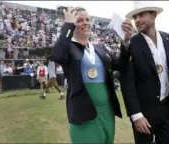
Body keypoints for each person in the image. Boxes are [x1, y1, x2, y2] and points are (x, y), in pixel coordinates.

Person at [50, 7, 130, 143]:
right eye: (79, 20)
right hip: (83, 114)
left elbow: (120, 65)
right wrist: (68, 25)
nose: (85, 23)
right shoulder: (68, 47)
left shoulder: (100, 48)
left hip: (106, 112)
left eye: (87, 19)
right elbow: (57, 55)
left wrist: (126, 42)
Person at [120, 2, 169, 144]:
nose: (137, 20)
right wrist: (136, 115)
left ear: (154, 15)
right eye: (135, 17)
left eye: (142, 15)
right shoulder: (131, 42)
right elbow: (127, 81)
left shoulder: (168, 39)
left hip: (166, 107)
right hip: (144, 111)